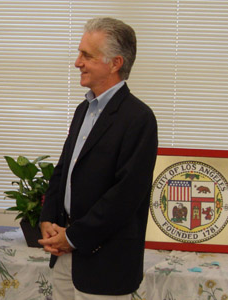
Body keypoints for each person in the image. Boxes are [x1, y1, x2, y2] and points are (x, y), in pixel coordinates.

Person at [38, 17, 158, 300]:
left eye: (86, 55)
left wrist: (73, 238)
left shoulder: (139, 119)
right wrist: (48, 218)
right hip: (67, 261)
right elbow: (64, 170)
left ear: (115, 63)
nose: (77, 62)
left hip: (106, 266)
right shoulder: (84, 109)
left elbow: (125, 196)